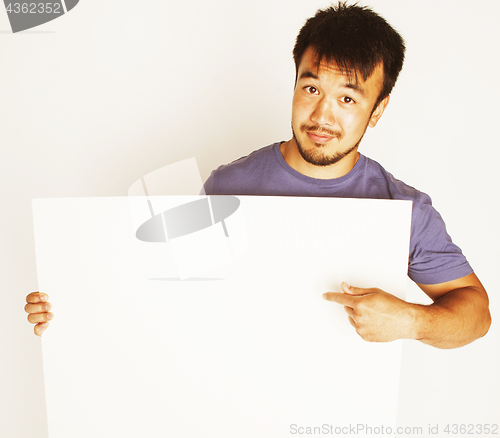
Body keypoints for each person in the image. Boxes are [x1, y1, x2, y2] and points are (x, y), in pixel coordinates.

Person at [26, 2, 491, 348]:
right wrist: (70, 307)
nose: (322, 115)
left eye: (348, 99)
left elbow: (477, 313)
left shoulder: (403, 209)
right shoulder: (227, 186)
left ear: (377, 110)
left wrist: (412, 321)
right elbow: (159, 302)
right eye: (311, 88)